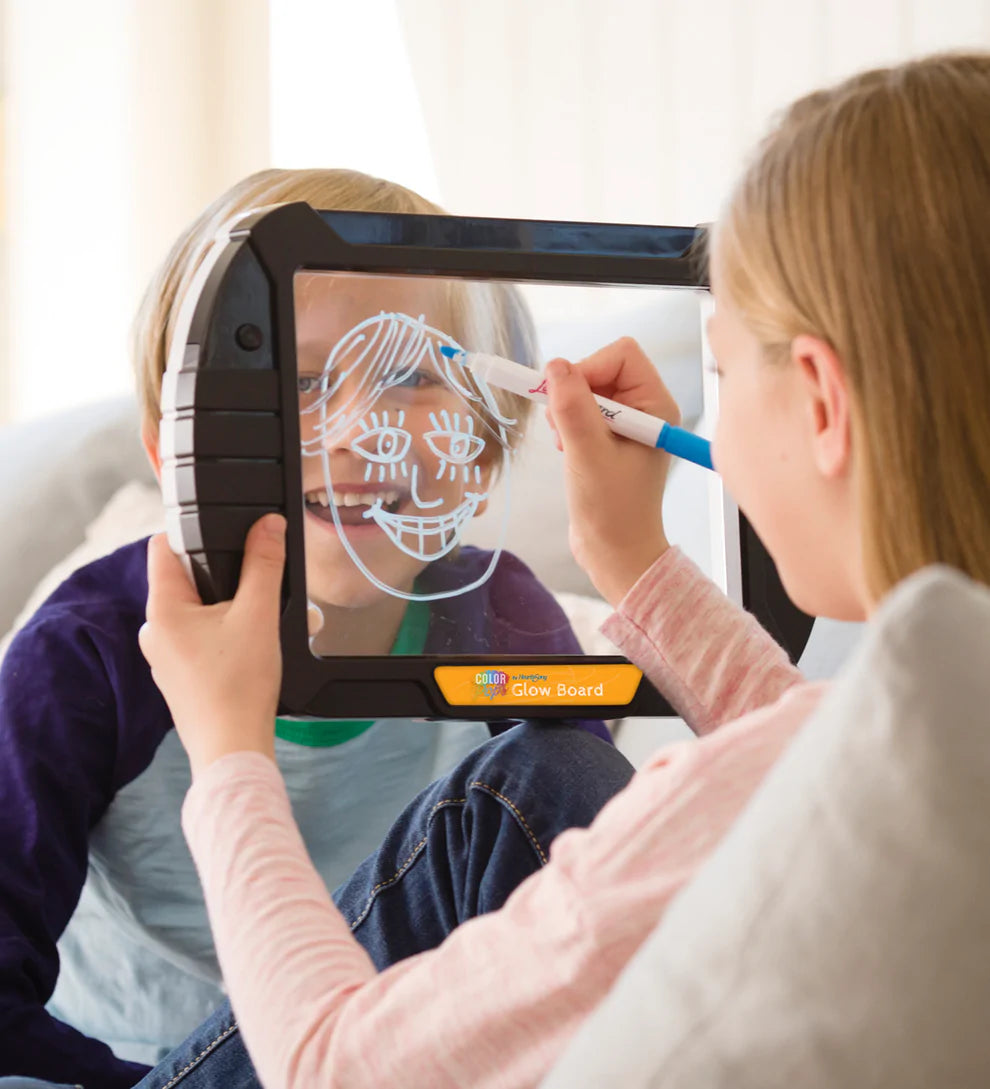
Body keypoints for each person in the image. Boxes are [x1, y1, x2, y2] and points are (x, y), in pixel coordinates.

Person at [132, 51, 990, 1089]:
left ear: (818, 400)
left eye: (718, 370)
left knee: (525, 786)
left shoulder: (733, 791)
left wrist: (228, 755)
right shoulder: (935, 747)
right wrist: (636, 563)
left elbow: (332, 1068)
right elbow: (831, 757)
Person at [0, 169, 620, 1088]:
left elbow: (567, 918)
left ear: (485, 442)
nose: (357, 428)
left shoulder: (509, 624)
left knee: (567, 775)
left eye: (412, 374)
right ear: (170, 443)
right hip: (141, 1074)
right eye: (294, 378)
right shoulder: (87, 653)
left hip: (383, 1063)